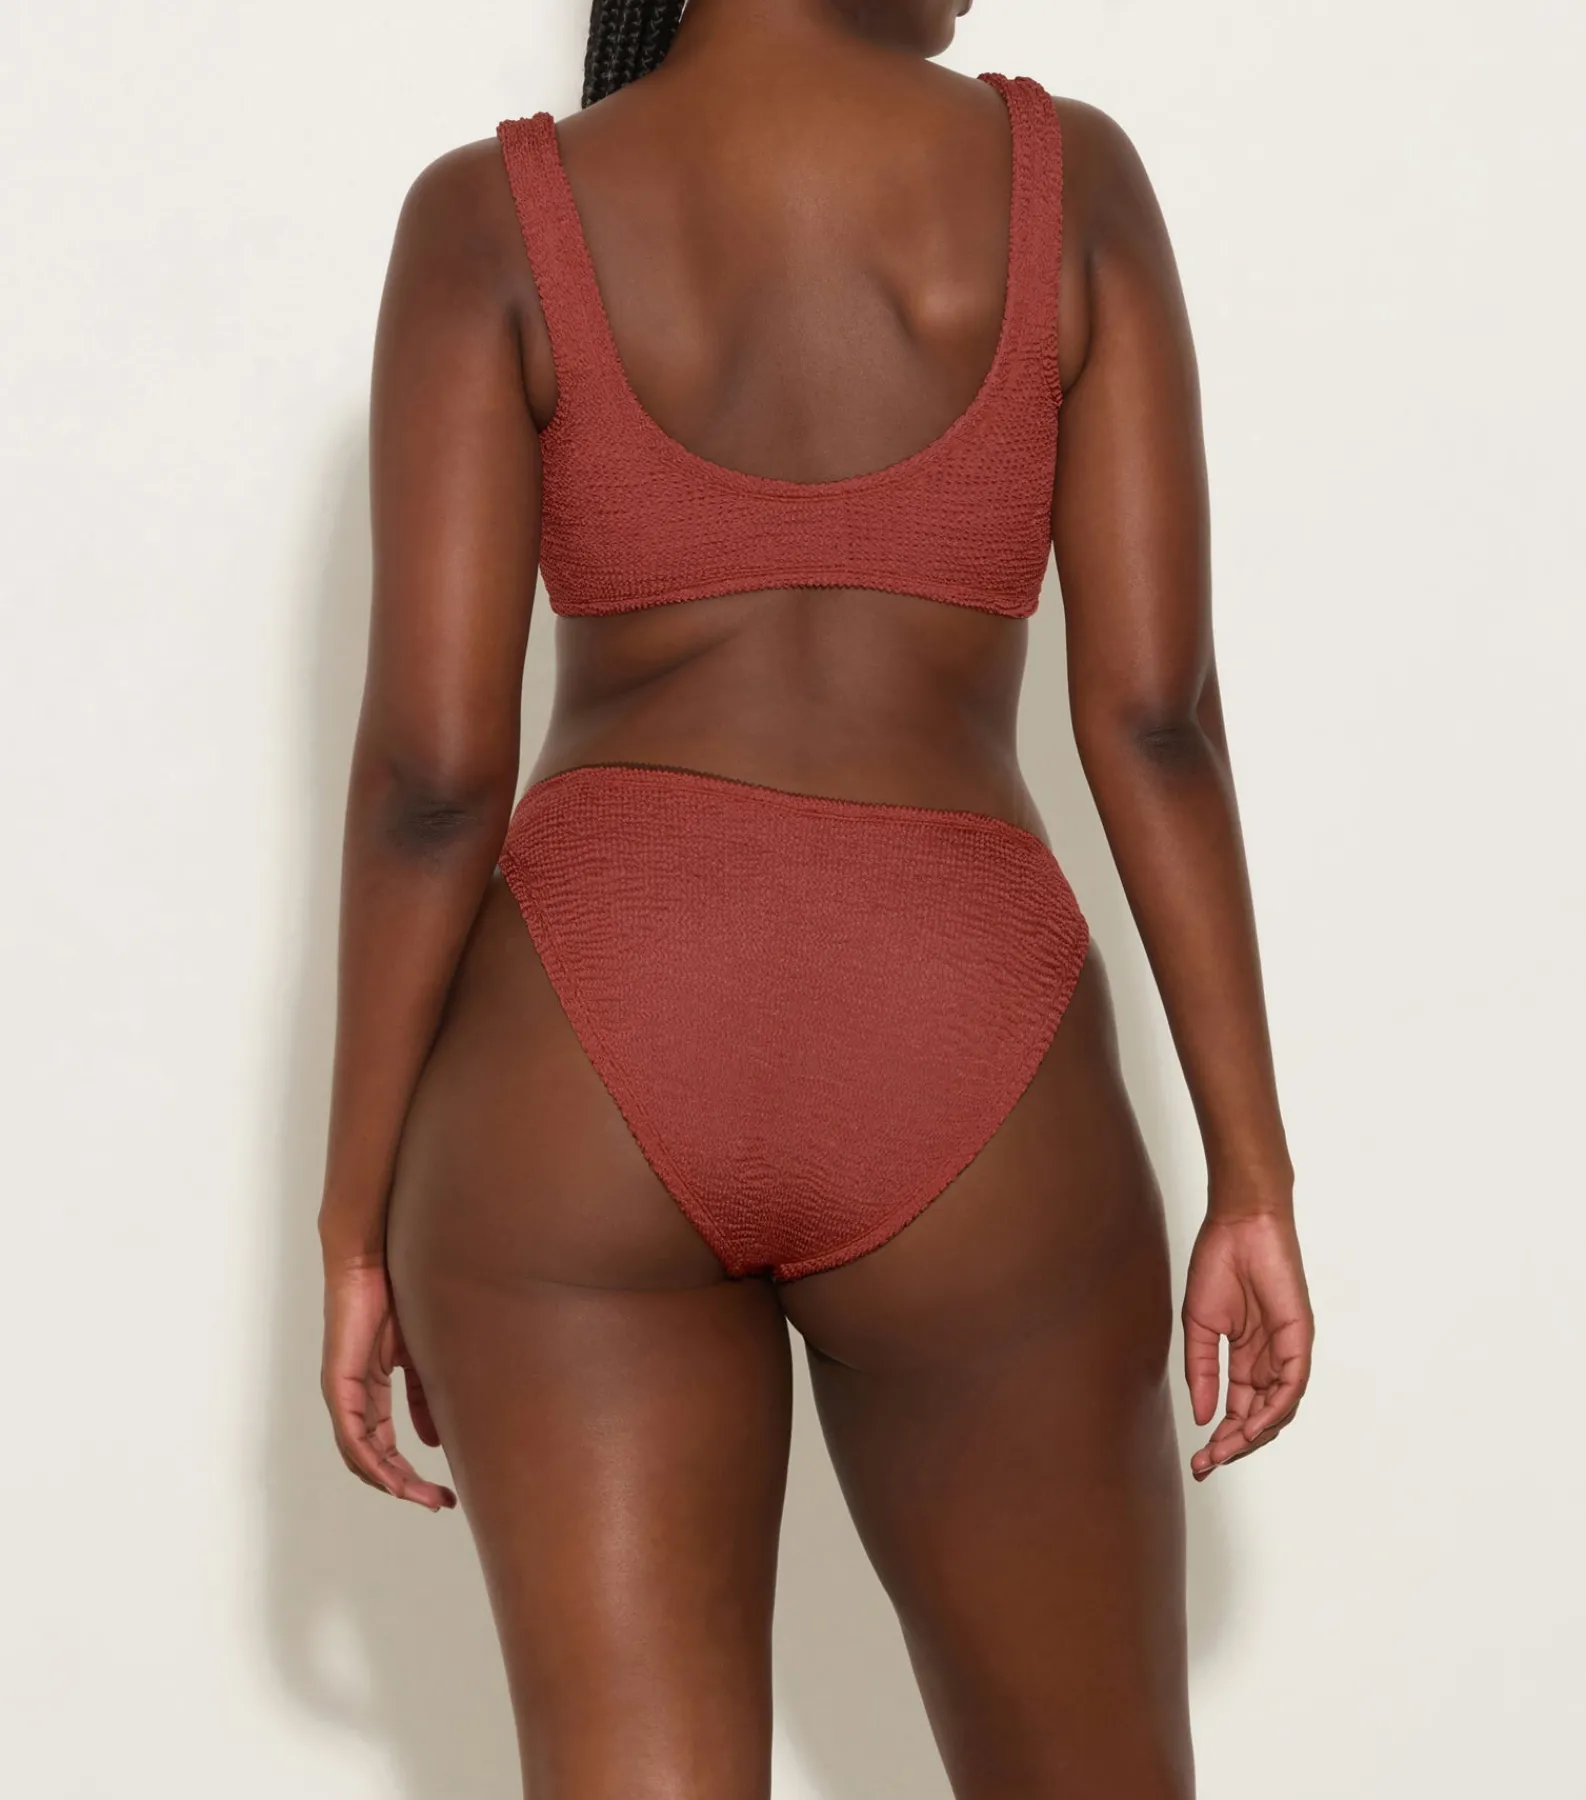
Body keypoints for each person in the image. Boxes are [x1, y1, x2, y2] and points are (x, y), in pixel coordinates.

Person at [317, 0, 1314, 1792]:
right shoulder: (1065, 180)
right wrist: (1250, 1172)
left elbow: (430, 785)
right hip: (963, 1039)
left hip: (576, 1064)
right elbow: (1152, 720)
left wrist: (355, 1222)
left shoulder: (490, 215)